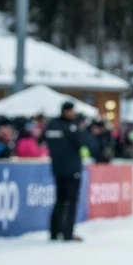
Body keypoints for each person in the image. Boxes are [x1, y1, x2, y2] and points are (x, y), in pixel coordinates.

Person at [45, 102, 84, 241]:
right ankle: (67, 233)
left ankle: (55, 232)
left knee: (60, 201)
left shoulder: (52, 125)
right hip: (71, 168)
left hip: (58, 168)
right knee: (70, 202)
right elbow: (80, 142)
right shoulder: (71, 127)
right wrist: (78, 128)